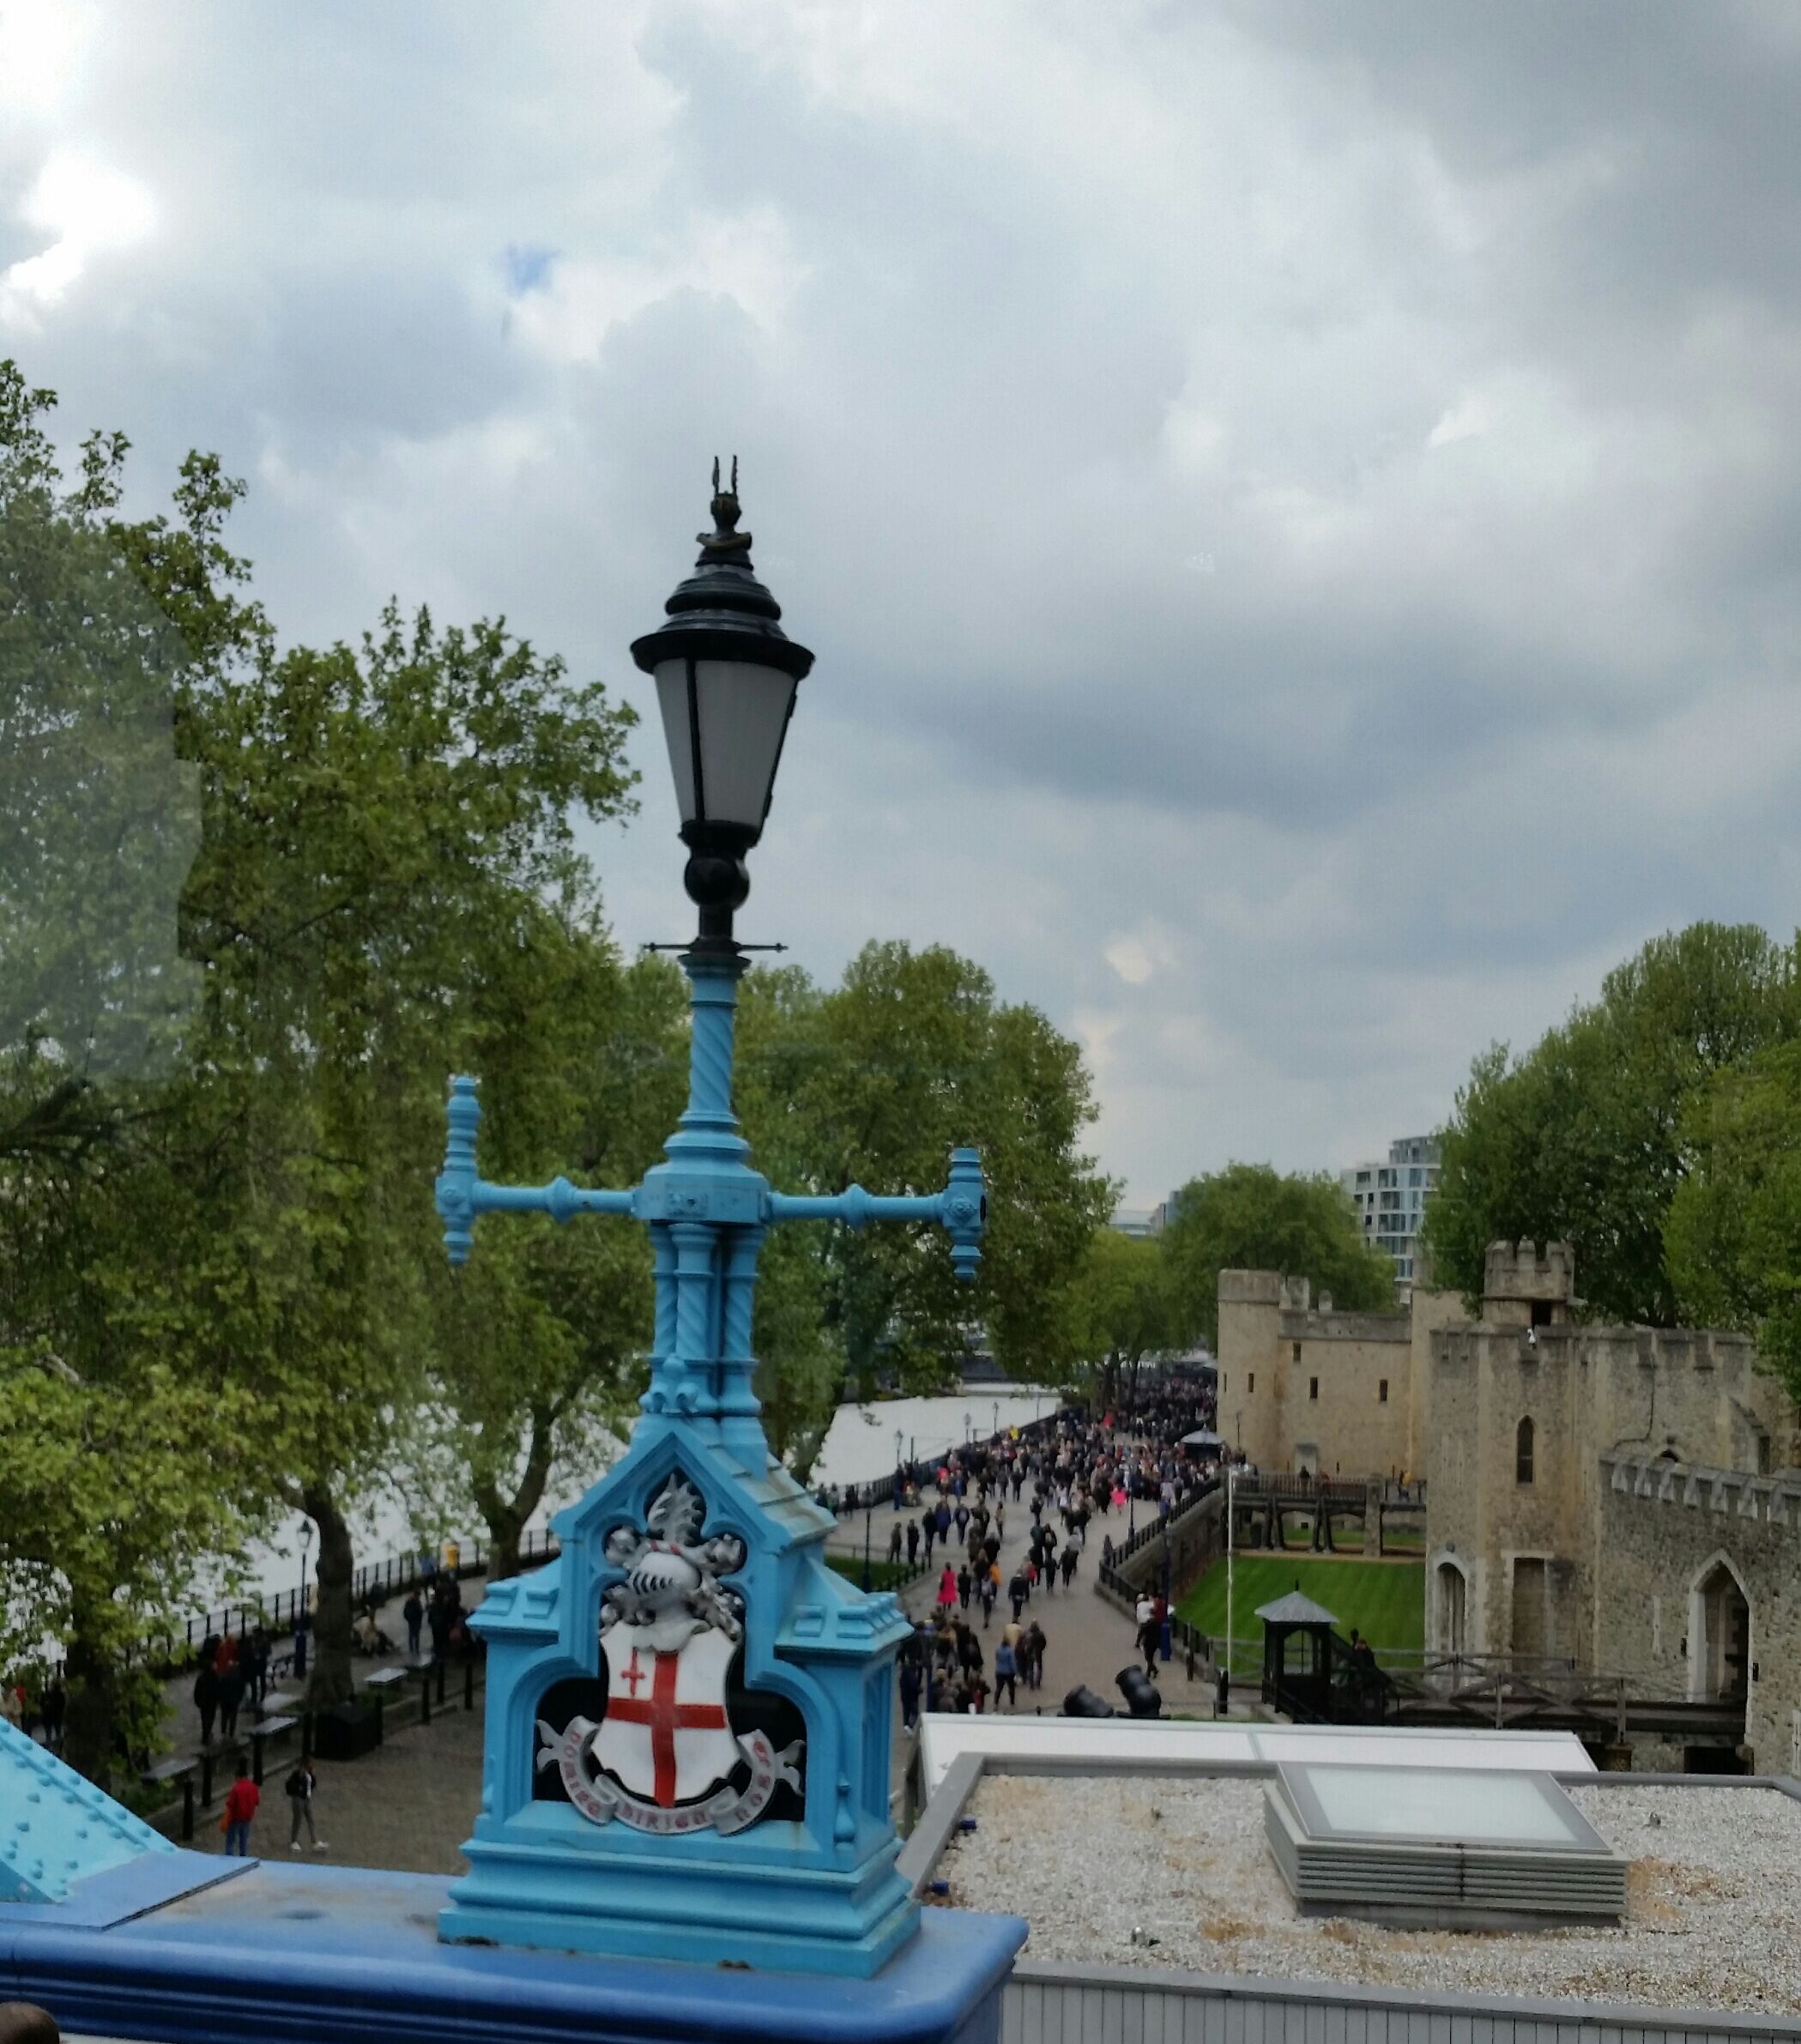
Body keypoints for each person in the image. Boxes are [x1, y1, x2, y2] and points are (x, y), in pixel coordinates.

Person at [285, 1760, 327, 1852]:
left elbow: (312, 1784)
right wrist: (299, 1790)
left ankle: (314, 1841)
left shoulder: (309, 1775)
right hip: (298, 1799)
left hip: (307, 1799)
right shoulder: (297, 1775)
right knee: (298, 1820)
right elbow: (292, 1784)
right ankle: (294, 1841)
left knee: (311, 1819)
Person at [221, 1762, 259, 1856]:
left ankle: (229, 1861)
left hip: (235, 1818)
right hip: (247, 1818)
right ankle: (243, 1859)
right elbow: (257, 1801)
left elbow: (231, 1804)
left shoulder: (236, 1788)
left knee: (230, 1841)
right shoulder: (253, 1787)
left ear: (238, 1777)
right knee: (243, 1842)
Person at [216, 1656, 246, 1741]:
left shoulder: (223, 1677)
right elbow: (241, 1689)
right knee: (233, 1717)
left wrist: (219, 1699)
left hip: (225, 1700)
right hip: (234, 1700)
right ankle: (231, 1733)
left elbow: (219, 1689)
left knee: (224, 1717)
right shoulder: (239, 1677)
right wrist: (239, 1698)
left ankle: (223, 1731)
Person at [193, 1658, 221, 1747]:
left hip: (204, 1703)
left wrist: (198, 1702)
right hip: (211, 1702)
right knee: (210, 1718)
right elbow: (218, 1689)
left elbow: (196, 1691)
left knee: (204, 1719)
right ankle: (207, 1734)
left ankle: (205, 1734)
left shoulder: (201, 1678)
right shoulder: (215, 1676)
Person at [993, 1635, 1018, 1709]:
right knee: (1011, 1688)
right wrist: (1015, 1671)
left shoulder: (998, 1649)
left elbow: (997, 1658)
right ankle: (1012, 1702)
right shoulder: (1010, 1651)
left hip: (999, 1671)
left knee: (999, 1688)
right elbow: (1012, 1662)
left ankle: (996, 1703)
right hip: (1009, 1672)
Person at [403, 1590, 424, 1658]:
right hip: (416, 1620)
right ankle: (417, 1649)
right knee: (417, 1635)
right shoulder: (417, 1602)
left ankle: (411, 1649)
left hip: (411, 1620)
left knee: (411, 1634)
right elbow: (420, 1612)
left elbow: (405, 1612)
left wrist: (408, 1619)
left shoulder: (408, 1602)